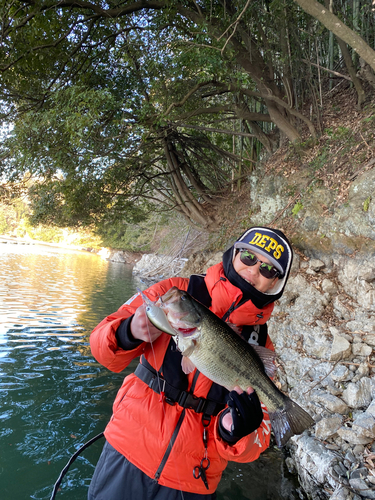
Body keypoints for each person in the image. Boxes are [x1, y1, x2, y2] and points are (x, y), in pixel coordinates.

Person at [88, 226, 293, 500]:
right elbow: (101, 346)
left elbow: (256, 442)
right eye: (248, 257)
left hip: (193, 480)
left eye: (269, 270)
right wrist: (128, 331)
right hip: (127, 450)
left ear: (275, 284)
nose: (254, 271)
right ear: (233, 254)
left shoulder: (260, 342)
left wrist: (236, 430)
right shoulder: (175, 293)